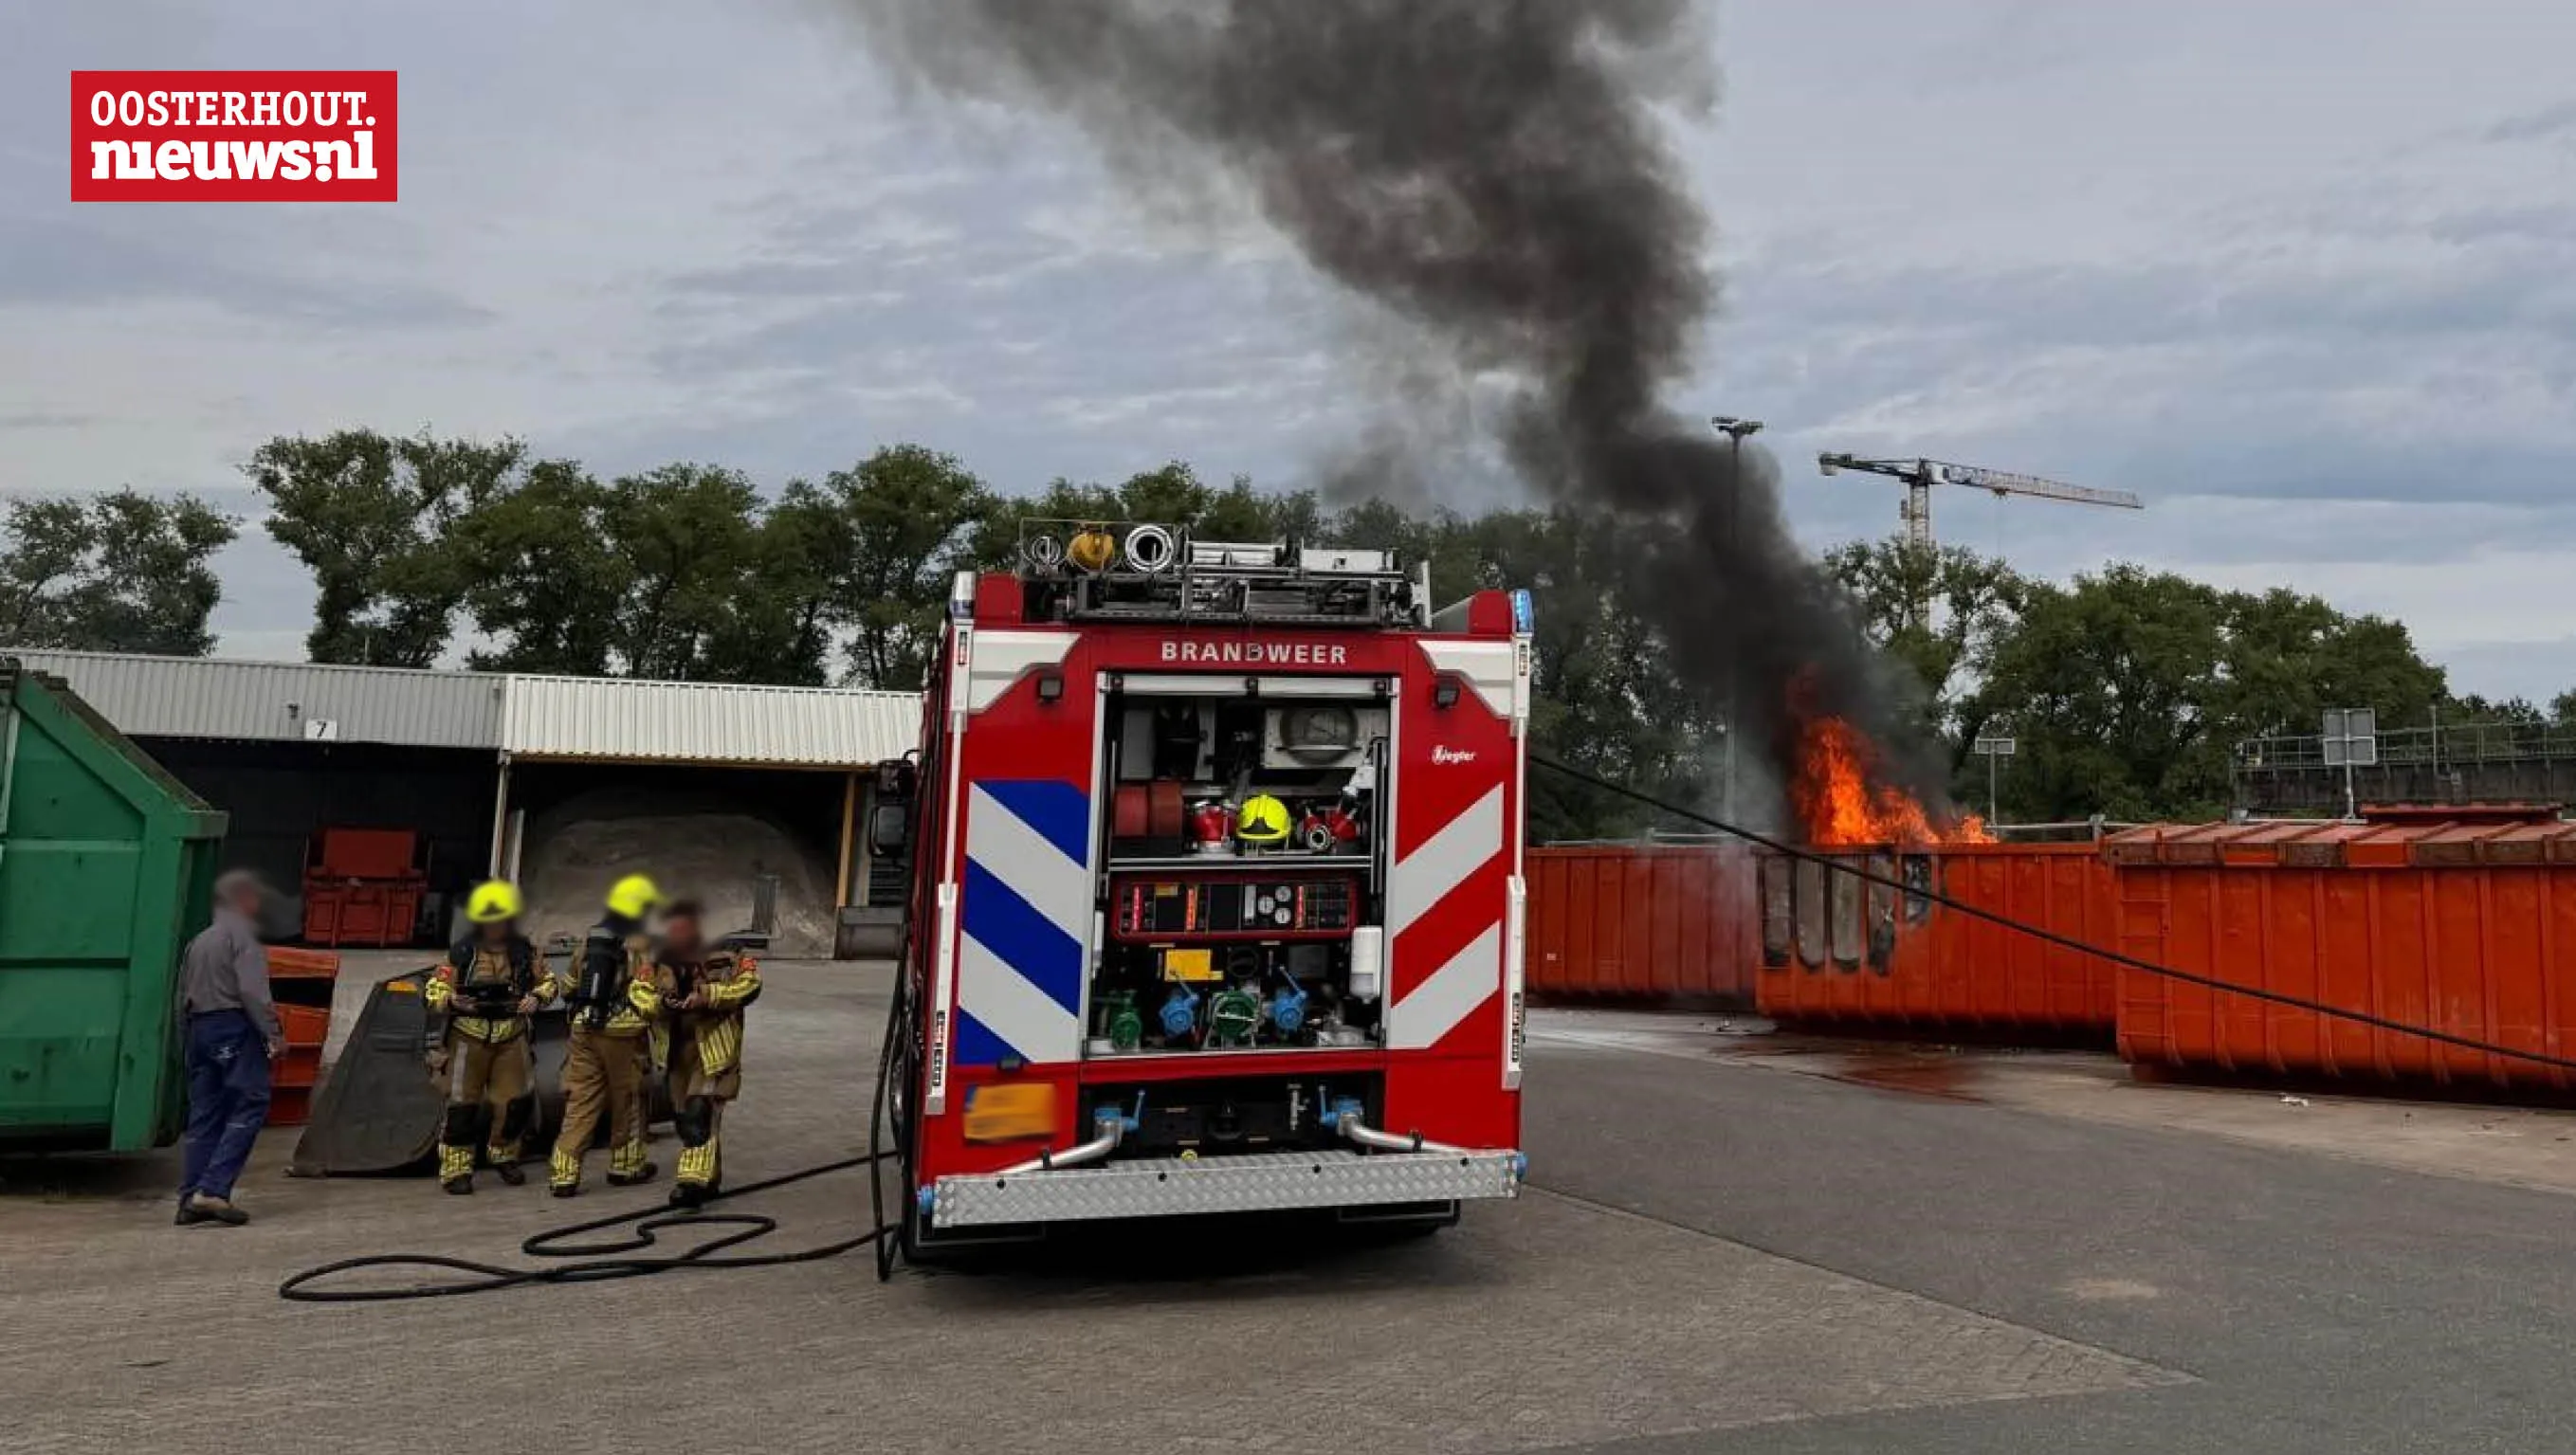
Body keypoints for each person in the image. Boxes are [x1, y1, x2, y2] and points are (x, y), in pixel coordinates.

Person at [631, 900, 762, 1209]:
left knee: (699, 1114)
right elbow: (637, 991)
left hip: (715, 1047)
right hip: (677, 1050)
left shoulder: (729, 953)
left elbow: (751, 984)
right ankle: (710, 1177)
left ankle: (690, 1184)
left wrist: (709, 996)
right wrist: (662, 1004)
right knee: (685, 1118)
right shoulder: (659, 958)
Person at [422, 880, 550, 1193]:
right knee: (463, 1106)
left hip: (512, 1034)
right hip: (469, 1035)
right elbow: (434, 988)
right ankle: (455, 1170)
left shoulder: (525, 952)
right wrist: (451, 1000)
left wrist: (537, 997)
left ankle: (504, 1154)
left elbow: (548, 982)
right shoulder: (462, 953)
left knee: (514, 1104)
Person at [175, 870, 280, 1227]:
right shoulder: (242, 938)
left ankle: (189, 1197)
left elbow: (181, 995)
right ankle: (213, 1190)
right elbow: (252, 992)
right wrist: (274, 1034)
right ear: (243, 900)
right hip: (232, 1027)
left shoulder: (199, 941)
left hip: (198, 1028)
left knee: (204, 1115)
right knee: (251, 1103)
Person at [546, 874, 662, 1197]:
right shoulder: (643, 943)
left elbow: (569, 986)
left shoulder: (592, 939)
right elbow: (652, 995)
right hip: (623, 1035)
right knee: (630, 1098)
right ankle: (626, 1166)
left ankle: (564, 1174)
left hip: (584, 1029)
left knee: (580, 1101)